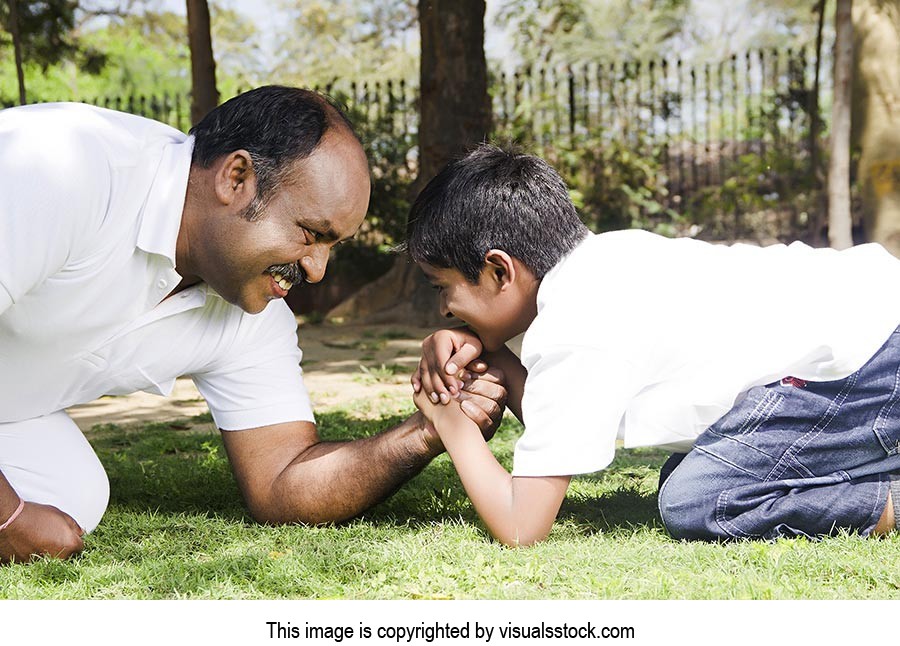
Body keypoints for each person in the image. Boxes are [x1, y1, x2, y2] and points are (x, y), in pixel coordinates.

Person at [0, 87, 507, 563]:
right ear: (235, 179)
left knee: (74, 495)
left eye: (333, 247)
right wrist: (11, 519)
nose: (317, 269)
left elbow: (282, 481)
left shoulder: (251, 308)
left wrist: (426, 431)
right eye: (311, 234)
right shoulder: (61, 167)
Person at [407, 142, 900, 547]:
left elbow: (521, 526)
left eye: (441, 288)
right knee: (689, 473)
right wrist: (488, 354)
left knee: (701, 497)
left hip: (873, 359)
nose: (445, 310)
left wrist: (447, 417)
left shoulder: (576, 326)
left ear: (499, 270)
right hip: (871, 334)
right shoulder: (602, 264)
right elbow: (567, 421)